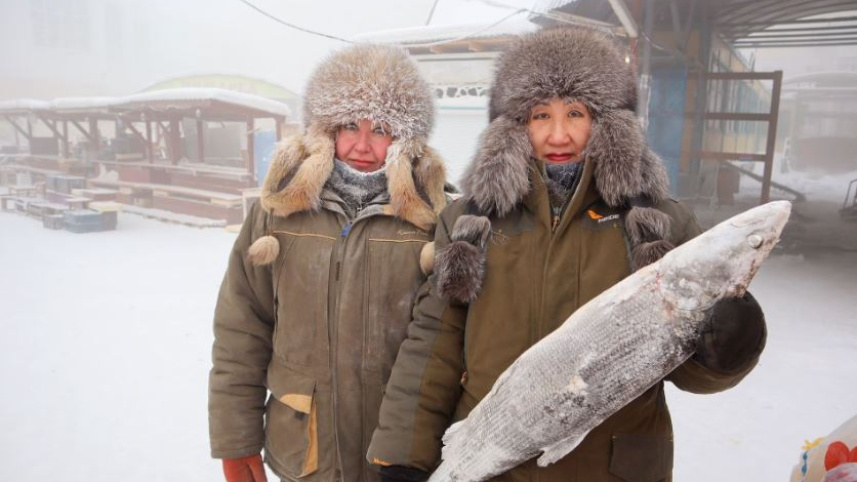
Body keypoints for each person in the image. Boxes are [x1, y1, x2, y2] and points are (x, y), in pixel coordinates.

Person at [367, 28, 767, 482]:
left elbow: (685, 369)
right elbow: (434, 344)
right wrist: (403, 457)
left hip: (611, 470)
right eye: (541, 115)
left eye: (575, 113)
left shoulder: (662, 224)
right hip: (495, 467)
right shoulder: (469, 223)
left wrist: (727, 348)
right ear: (514, 126)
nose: (558, 135)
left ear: (608, 123)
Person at [208, 44, 448, 482]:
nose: (362, 145)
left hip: (399, 457)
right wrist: (235, 439)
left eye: (381, 129)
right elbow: (241, 329)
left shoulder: (435, 220)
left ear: (405, 139)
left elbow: (448, 347)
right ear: (326, 129)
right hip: (306, 453)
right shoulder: (278, 212)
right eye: (350, 125)